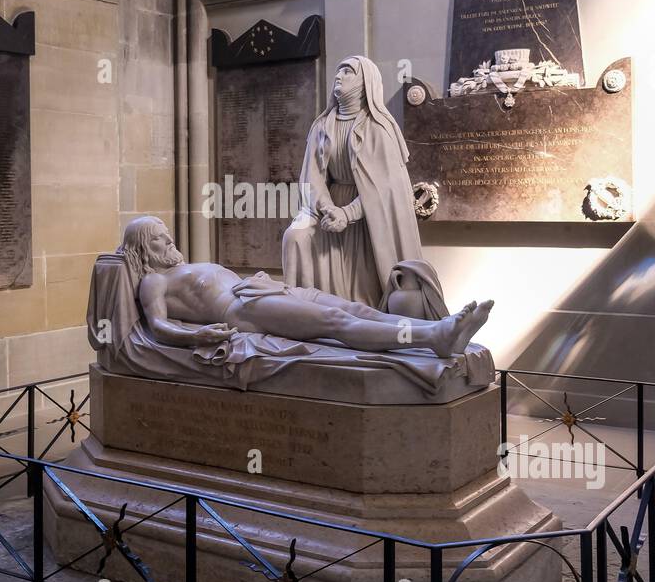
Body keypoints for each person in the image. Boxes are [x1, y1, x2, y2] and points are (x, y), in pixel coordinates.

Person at [119, 216, 492, 360]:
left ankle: (439, 331)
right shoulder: (154, 281)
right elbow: (158, 327)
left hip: (260, 289)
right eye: (159, 242)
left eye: (168, 237)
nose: (170, 244)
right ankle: (433, 339)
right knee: (333, 322)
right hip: (243, 310)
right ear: (141, 249)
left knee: (355, 308)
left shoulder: (181, 266)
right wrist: (198, 335)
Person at [282, 55, 423, 307]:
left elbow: (383, 189)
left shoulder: (378, 127)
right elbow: (312, 178)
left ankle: (366, 320)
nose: (339, 76)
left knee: (363, 293)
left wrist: (347, 214)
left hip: (367, 216)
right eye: (339, 72)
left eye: (348, 72)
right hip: (327, 212)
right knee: (295, 236)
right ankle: (304, 312)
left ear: (364, 81)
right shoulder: (322, 126)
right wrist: (329, 210)